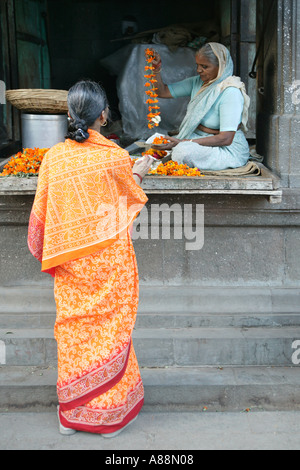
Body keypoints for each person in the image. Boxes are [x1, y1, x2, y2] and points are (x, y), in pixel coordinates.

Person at [28, 80, 152, 437]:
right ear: (104, 115)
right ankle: (108, 414)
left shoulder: (53, 158)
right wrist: (140, 170)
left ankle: (71, 411)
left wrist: (48, 251)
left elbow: (40, 218)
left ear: (69, 115)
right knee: (110, 329)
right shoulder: (116, 157)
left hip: (71, 262)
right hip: (109, 261)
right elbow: (130, 195)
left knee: (73, 329)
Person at [151, 42, 251, 171]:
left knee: (182, 152)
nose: (198, 70)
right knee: (158, 146)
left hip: (226, 149)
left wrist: (184, 142)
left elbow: (225, 138)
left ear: (221, 67)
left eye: (204, 66)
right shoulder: (198, 82)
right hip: (198, 140)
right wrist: (156, 69)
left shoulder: (230, 92)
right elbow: (162, 91)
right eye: (197, 65)